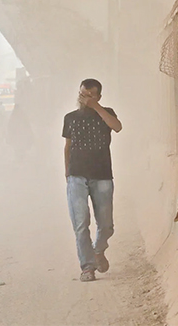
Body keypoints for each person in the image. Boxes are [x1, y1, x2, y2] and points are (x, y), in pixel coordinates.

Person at [62, 78, 123, 282]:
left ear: (99, 96)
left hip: (102, 175)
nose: (85, 98)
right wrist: (67, 174)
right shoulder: (70, 118)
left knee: (106, 225)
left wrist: (96, 107)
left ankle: (98, 250)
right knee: (81, 223)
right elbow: (68, 147)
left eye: (91, 95)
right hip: (77, 176)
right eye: (83, 94)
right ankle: (87, 267)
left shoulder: (107, 113)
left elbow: (117, 127)